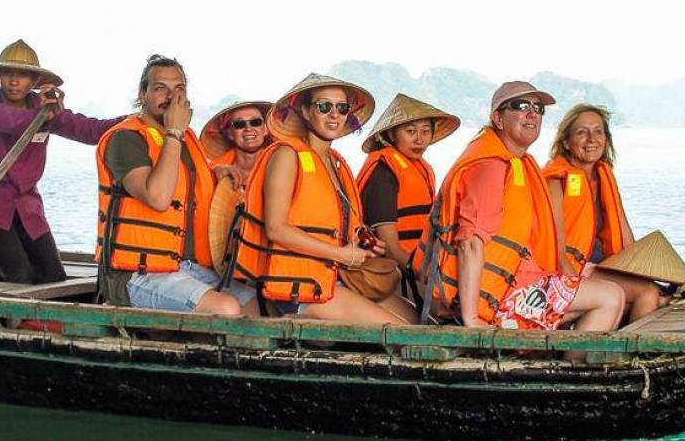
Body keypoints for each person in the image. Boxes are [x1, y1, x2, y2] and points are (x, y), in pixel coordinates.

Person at [413, 81, 624, 347]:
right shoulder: (490, 166)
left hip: (515, 283)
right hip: (493, 299)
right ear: (498, 118)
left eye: (538, 108)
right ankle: (573, 375)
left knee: (611, 294)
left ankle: (568, 370)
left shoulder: (516, 162)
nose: (532, 113)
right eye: (521, 106)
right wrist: (470, 318)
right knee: (610, 298)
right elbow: (470, 244)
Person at [230, 74, 416, 324]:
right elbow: (276, 229)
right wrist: (341, 254)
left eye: (341, 108)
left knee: (420, 322)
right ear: (306, 111)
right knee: (404, 333)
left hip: (337, 277)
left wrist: (363, 244)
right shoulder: (287, 155)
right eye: (324, 106)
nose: (334, 115)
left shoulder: (336, 163)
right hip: (301, 287)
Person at [95, 54, 256, 316]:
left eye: (179, 89)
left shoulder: (188, 140)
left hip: (188, 267)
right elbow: (158, 197)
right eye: (161, 89)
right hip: (136, 274)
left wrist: (216, 169)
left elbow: (188, 180)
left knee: (258, 305)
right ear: (143, 94)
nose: (171, 97)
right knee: (225, 309)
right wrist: (173, 132)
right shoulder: (126, 139)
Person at [0, 39, 121, 285]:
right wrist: (42, 114)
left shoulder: (45, 107)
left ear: (34, 82)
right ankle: (16, 321)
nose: (14, 82)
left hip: (28, 208)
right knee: (20, 276)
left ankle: (43, 323)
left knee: (54, 276)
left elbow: (90, 130)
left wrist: (137, 119)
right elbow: (2, 119)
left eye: (23, 76)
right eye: (8, 74)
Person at [541, 104, 665, 322]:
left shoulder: (604, 176)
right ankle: (634, 353)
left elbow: (626, 237)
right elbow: (556, 252)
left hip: (601, 267)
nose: (592, 139)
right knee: (647, 292)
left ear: (606, 139)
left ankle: (628, 350)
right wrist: (574, 287)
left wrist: (649, 270)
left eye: (598, 131)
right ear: (566, 143)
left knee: (658, 292)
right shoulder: (556, 182)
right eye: (582, 132)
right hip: (570, 270)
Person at [356, 93, 459, 269]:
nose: (419, 139)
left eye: (425, 131)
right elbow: (390, 247)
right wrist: (421, 274)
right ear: (391, 133)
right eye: (410, 131)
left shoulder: (421, 169)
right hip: (393, 269)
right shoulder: (383, 172)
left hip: (418, 260)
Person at [199, 100, 274, 187]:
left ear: (265, 129)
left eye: (255, 122)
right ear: (230, 133)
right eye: (239, 124)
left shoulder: (281, 163)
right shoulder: (214, 170)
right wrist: (213, 173)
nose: (248, 128)